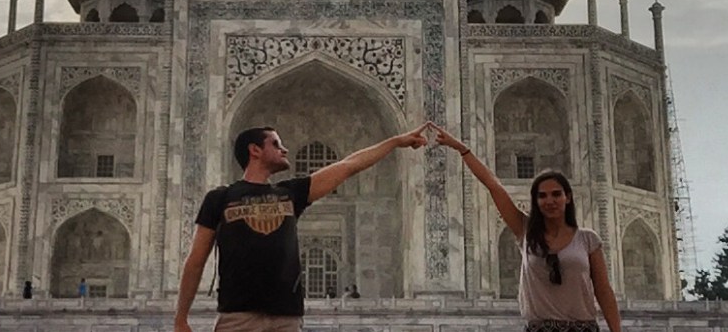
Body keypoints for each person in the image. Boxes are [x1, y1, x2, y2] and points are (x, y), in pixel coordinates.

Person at [174, 123, 429, 332]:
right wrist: (181, 318)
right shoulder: (220, 198)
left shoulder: (290, 194)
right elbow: (196, 261)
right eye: (276, 144)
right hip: (238, 317)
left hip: (286, 317)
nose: (284, 149)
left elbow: (349, 165)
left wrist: (396, 142)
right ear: (255, 150)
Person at [429, 123, 621, 332]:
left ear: (567, 197)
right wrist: (462, 149)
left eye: (556, 194)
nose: (550, 200)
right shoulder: (527, 231)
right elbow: (494, 186)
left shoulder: (587, 239)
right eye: (542, 196)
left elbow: (603, 291)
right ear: (536, 201)